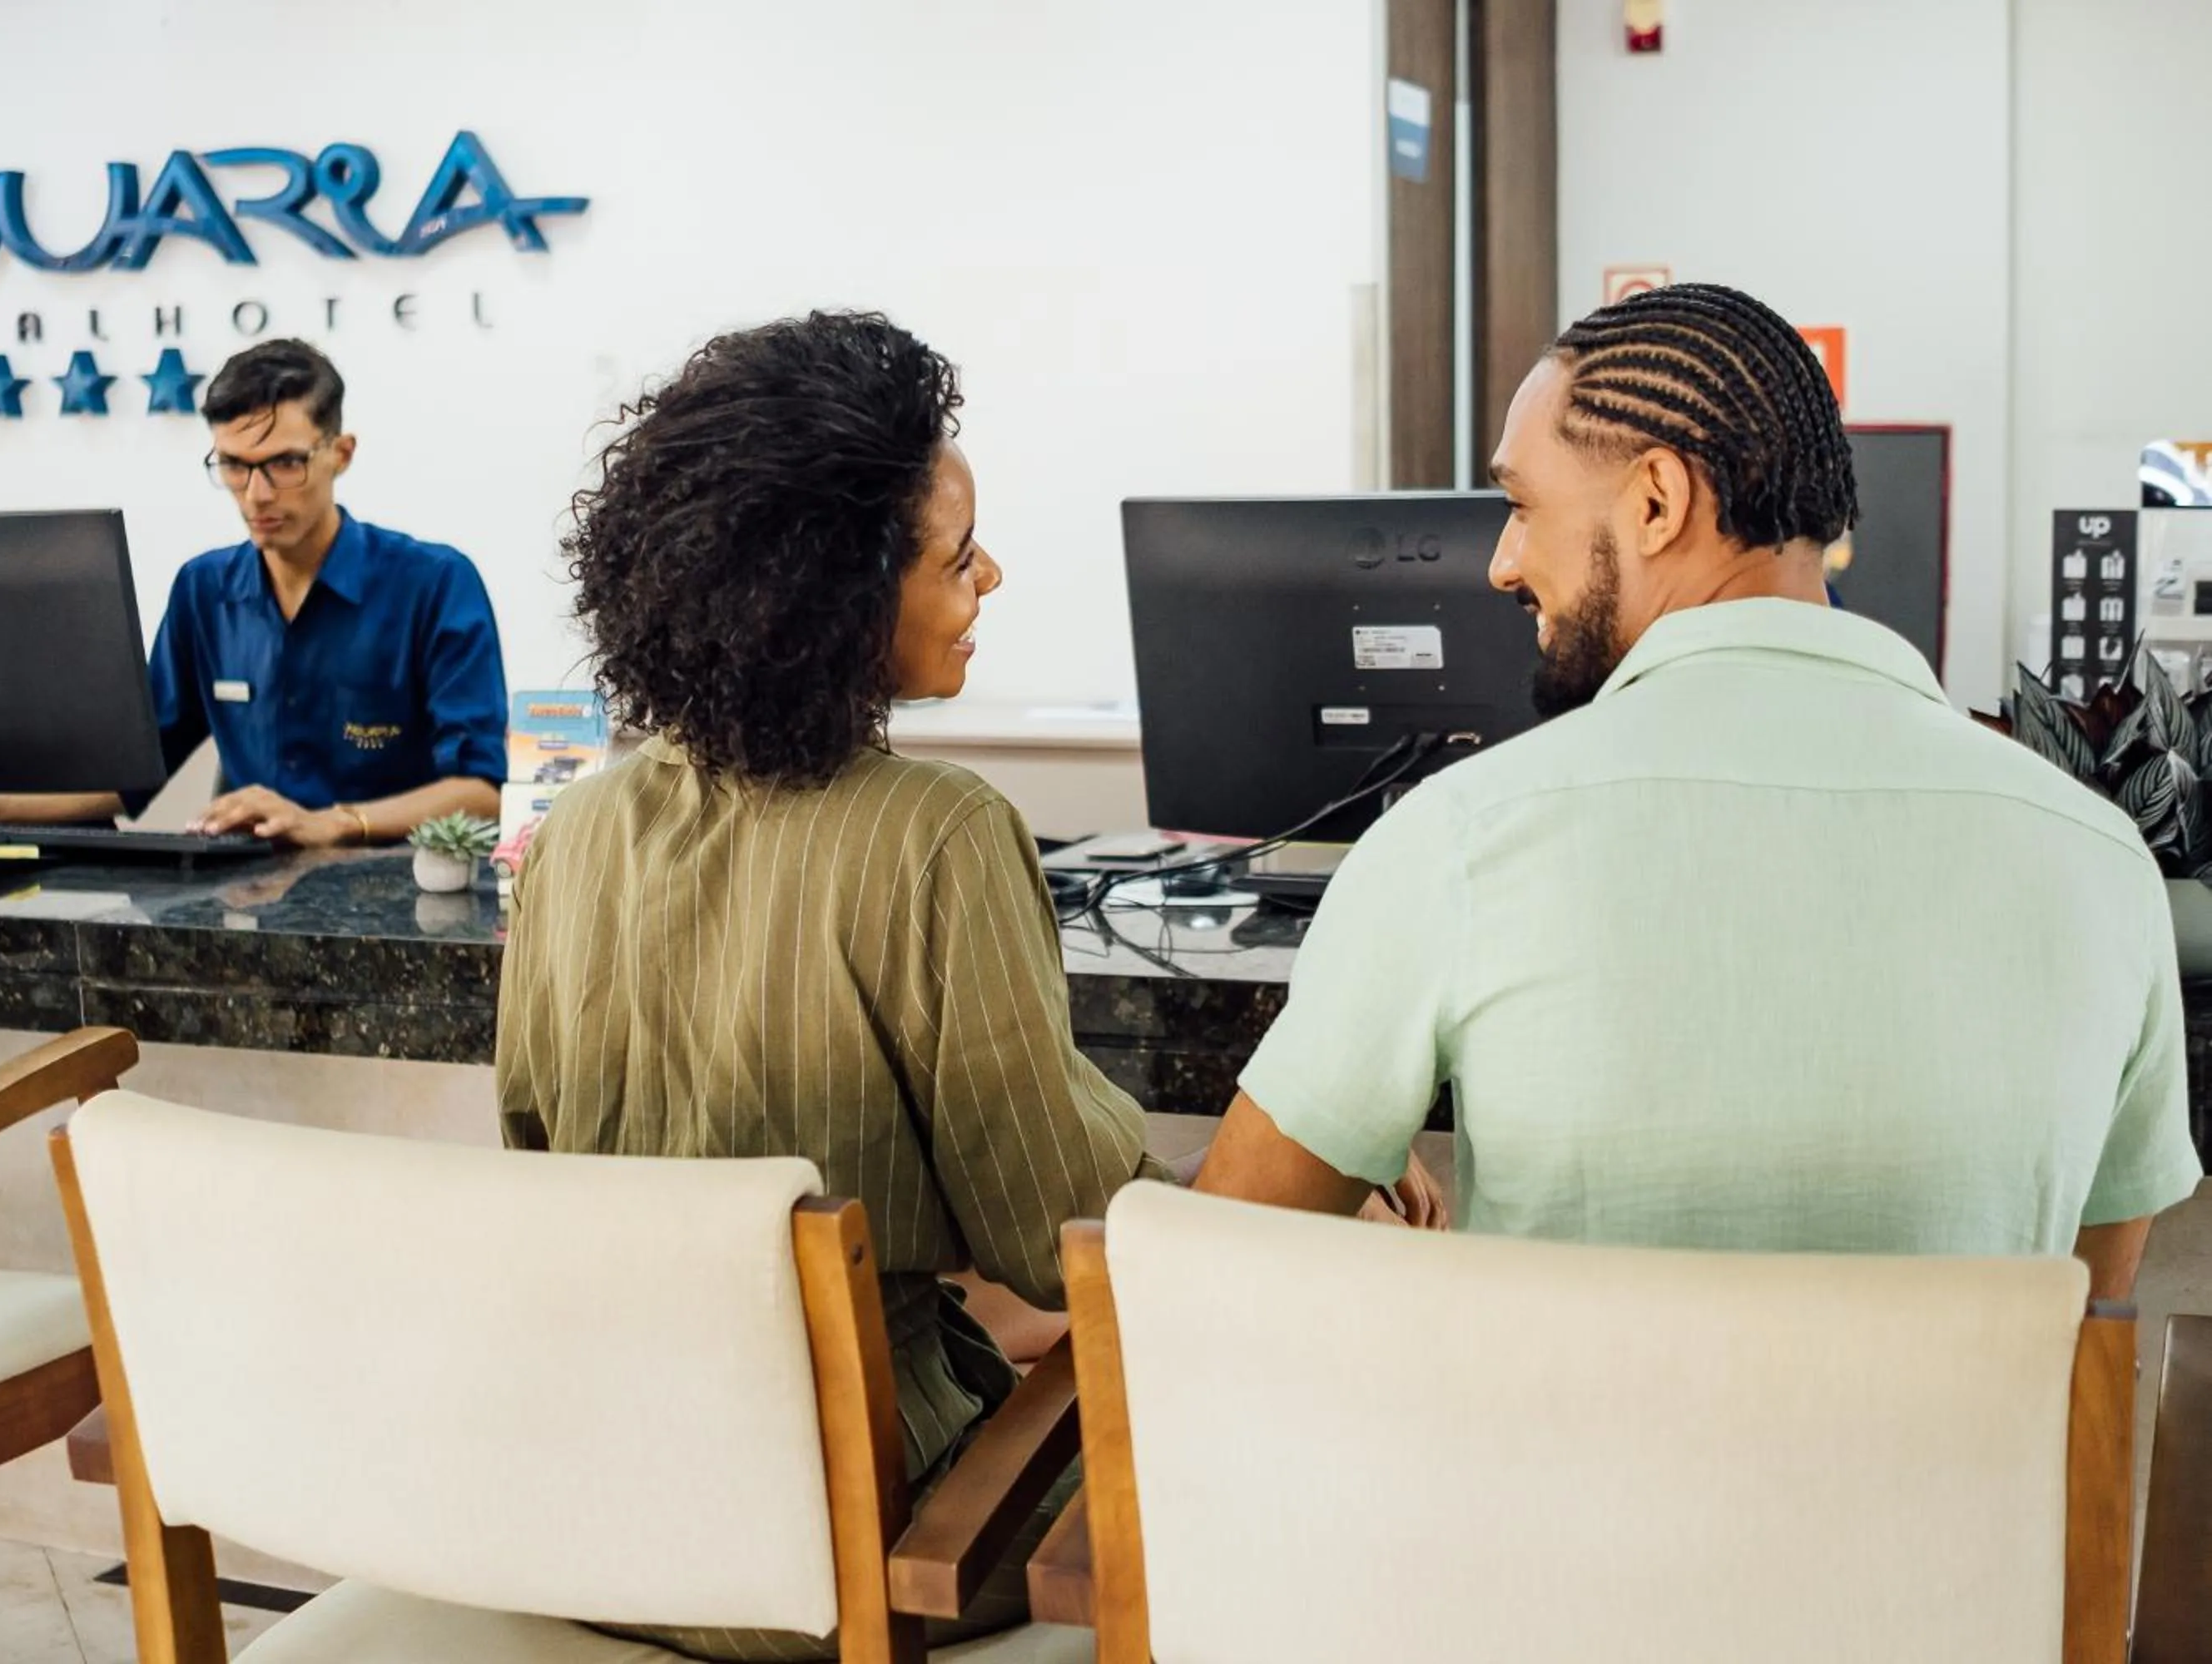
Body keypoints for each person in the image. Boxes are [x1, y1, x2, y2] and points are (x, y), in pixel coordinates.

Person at [1196, 282, 2202, 1298]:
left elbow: (1210, 1264)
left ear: (1655, 502)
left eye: (1521, 504)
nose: (1502, 562)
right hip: (1964, 1461)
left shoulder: (1459, 838)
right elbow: (2085, 1326)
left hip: (1555, 1459)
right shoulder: (2101, 858)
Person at [495, 311, 1158, 1659]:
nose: (994, 576)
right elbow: (1069, 1234)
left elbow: (540, 1161)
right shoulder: (943, 832)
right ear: (841, 598)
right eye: (959, 558)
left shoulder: (574, 838)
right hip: (858, 1538)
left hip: (605, 1514)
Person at [0, 340, 508, 844]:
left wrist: (334, 823)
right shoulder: (205, 590)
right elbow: (133, 772)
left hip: (404, 899)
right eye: (234, 466)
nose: (257, 494)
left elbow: (483, 792)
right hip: (245, 902)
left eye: (285, 464)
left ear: (340, 454)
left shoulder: (434, 584)